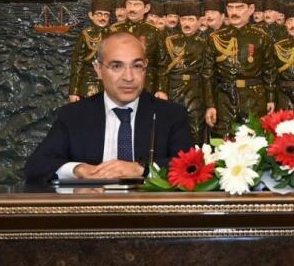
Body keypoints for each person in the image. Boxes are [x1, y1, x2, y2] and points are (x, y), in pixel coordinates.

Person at [25, 32, 194, 184]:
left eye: (137, 66)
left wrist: (142, 169)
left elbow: (190, 166)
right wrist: (78, 169)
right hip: (93, 205)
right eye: (116, 66)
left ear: (145, 68)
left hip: (148, 207)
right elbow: (36, 165)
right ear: (98, 69)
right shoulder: (74, 115)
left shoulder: (171, 115)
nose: (129, 77)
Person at [205, 0, 276, 137]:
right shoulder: (215, 38)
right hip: (224, 98)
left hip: (254, 97)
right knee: (223, 141)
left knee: (253, 140)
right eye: (230, 7)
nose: (234, 12)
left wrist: (271, 98)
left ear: (251, 9)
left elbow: (270, 70)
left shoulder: (261, 37)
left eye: (240, 7)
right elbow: (207, 75)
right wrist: (210, 104)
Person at [158, 0, 213, 143]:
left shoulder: (205, 43)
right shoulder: (170, 41)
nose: (186, 23)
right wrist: (162, 90)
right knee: (172, 130)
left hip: (195, 92)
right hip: (173, 90)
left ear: (199, 21)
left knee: (196, 130)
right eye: (183, 19)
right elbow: (163, 68)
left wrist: (210, 104)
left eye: (191, 19)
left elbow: (207, 74)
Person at [108, 0, 165, 91]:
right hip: (119, 84)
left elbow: (162, 64)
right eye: (129, 4)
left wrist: (161, 89)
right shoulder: (114, 30)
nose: (132, 9)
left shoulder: (154, 32)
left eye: (137, 4)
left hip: (146, 85)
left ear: (146, 8)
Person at [67, 0, 114, 102]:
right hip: (89, 83)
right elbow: (77, 63)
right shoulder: (85, 34)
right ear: (91, 15)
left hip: (110, 83)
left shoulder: (114, 35)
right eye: (99, 14)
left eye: (106, 15)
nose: (103, 18)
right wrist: (74, 91)